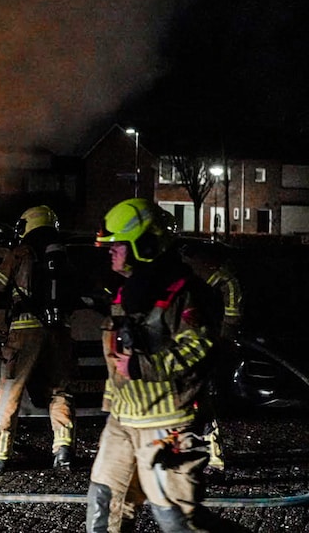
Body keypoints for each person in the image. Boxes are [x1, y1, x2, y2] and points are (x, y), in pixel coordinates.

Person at [87, 198, 222, 533]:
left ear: (143, 244)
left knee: (176, 520)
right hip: (122, 422)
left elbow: (199, 348)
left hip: (166, 425)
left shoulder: (182, 293)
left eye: (117, 245)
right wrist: (111, 405)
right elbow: (114, 358)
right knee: (105, 511)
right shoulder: (126, 295)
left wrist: (141, 366)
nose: (111, 252)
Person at [0, 205, 76, 473]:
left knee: (10, 391)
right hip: (60, 331)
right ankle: (64, 451)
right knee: (60, 390)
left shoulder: (20, 253)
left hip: (24, 332)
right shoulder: (63, 256)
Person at [179, 240, 245, 472]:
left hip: (196, 340)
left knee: (198, 395)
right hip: (179, 343)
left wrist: (227, 330)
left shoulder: (190, 265)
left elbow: (229, 286)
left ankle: (210, 451)